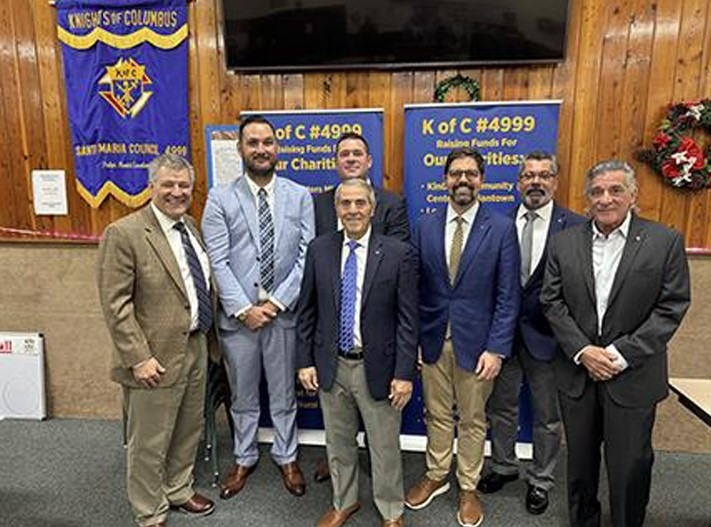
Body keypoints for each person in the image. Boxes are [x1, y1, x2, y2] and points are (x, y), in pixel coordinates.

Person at [540, 160, 691, 527]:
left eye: (615, 190)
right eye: (597, 192)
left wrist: (619, 354)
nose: (605, 199)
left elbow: (671, 307)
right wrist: (582, 350)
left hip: (633, 375)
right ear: (587, 198)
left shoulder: (664, 242)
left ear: (633, 195)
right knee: (580, 466)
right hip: (578, 374)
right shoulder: (563, 243)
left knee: (629, 468)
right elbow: (551, 302)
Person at [97, 153, 217, 527]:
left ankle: (178, 488)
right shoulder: (124, 233)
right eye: (168, 184)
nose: (177, 192)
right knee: (149, 440)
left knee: (188, 428)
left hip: (196, 344)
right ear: (152, 187)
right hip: (154, 356)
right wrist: (138, 358)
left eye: (184, 185)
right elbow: (115, 304)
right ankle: (150, 511)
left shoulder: (190, 226)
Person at [201, 114, 315, 499]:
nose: (261, 149)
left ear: (277, 148)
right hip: (239, 321)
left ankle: (287, 456)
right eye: (253, 142)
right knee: (243, 397)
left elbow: (306, 256)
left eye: (267, 142)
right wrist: (244, 309)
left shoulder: (300, 196)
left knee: (284, 396)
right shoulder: (220, 198)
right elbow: (218, 261)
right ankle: (244, 456)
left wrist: (276, 303)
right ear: (240, 149)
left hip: (282, 316)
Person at [406, 147, 520, 527]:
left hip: (479, 346)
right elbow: (415, 288)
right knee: (436, 413)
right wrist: (415, 339)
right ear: (445, 180)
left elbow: (508, 296)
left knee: (472, 419)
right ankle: (437, 474)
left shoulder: (501, 228)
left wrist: (497, 349)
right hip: (433, 339)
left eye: (471, 173)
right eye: (456, 173)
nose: (463, 180)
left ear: (481, 180)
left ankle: (468, 486)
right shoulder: (425, 225)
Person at [296, 178, 417, 527]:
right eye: (345, 203)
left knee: (384, 446)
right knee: (338, 443)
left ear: (372, 208)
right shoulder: (319, 249)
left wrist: (404, 374)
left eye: (360, 203)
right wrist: (304, 361)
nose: (352, 210)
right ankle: (344, 502)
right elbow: (307, 311)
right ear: (337, 208)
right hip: (331, 364)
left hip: (377, 367)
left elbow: (408, 320)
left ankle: (391, 511)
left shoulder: (397, 253)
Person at [478, 151, 585, 514]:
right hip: (503, 338)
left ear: (555, 181)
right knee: (501, 409)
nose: (535, 182)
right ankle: (503, 466)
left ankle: (541, 479)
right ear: (518, 182)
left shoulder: (575, 227)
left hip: (550, 339)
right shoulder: (498, 223)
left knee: (547, 416)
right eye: (528, 175)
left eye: (544, 175)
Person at [312, 131, 410, 484]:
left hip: (376, 340)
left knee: (382, 437)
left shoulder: (392, 206)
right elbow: (314, 288)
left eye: (358, 153)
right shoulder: (320, 206)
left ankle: (385, 495)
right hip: (334, 345)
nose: (352, 210)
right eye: (344, 153)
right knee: (338, 434)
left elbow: (400, 280)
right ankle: (344, 481)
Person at [313, 131, 409, 241]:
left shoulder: (393, 204)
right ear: (335, 163)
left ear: (369, 162)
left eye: (357, 154)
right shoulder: (319, 203)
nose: (351, 159)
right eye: (345, 154)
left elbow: (397, 248)